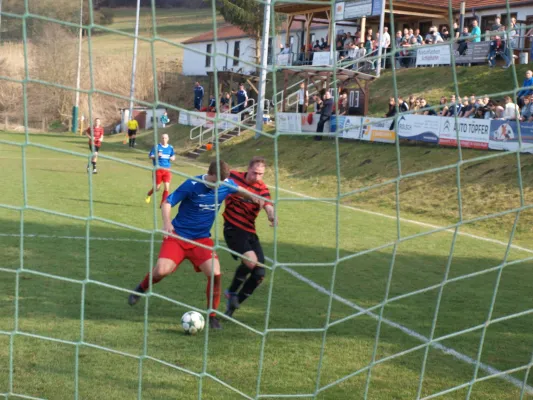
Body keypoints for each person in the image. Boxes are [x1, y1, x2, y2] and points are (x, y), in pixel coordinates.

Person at [128, 160, 262, 330]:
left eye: (219, 184)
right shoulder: (192, 184)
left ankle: (212, 316)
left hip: (202, 240)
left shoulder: (225, 184)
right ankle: (141, 288)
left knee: (215, 274)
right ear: (209, 174)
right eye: (213, 182)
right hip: (178, 236)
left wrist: (256, 198)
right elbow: (168, 202)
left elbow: (241, 191)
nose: (216, 187)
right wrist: (167, 222)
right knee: (162, 270)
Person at [223, 157, 276, 317]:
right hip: (232, 228)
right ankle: (231, 292)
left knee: (259, 274)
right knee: (251, 261)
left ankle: (233, 303)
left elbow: (268, 205)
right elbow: (217, 181)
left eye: (261, 174)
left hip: (250, 232)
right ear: (248, 169)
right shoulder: (233, 176)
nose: (257, 177)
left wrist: (272, 216)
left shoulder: (262, 188)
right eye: (254, 173)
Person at [145, 133, 175, 207]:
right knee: (157, 188)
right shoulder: (157, 147)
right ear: (161, 139)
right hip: (158, 170)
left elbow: (173, 156)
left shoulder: (170, 147)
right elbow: (150, 156)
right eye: (162, 138)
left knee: (167, 187)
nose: (164, 139)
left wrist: (173, 158)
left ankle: (162, 204)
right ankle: (149, 194)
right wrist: (156, 156)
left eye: (165, 138)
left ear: (168, 139)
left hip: (167, 170)